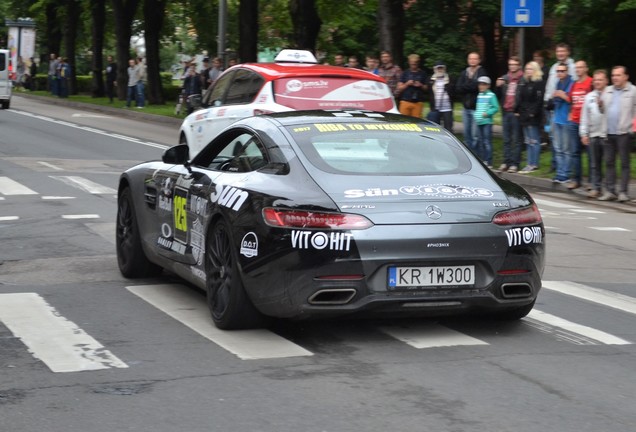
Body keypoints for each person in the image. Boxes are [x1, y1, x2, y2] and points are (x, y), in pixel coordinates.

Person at [598, 66, 636, 202]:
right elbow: (603, 110)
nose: (615, 78)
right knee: (609, 162)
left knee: (624, 163)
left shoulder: (632, 91)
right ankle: (610, 191)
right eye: (613, 75)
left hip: (624, 132)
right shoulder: (608, 90)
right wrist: (600, 105)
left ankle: (623, 192)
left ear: (626, 77)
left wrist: (633, 128)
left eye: (618, 75)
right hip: (608, 132)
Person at [543, 43, 576, 172]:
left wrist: (562, 95)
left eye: (563, 51)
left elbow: (572, 89)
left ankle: (566, 169)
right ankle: (557, 166)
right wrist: (547, 100)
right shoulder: (553, 67)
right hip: (553, 106)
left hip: (566, 110)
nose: (560, 54)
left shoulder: (572, 67)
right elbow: (551, 86)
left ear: (568, 52)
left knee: (566, 143)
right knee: (554, 139)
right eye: (558, 51)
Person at [579, 70, 609, 198]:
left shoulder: (611, 94)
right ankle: (596, 187)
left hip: (607, 134)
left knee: (609, 163)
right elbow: (584, 117)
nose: (597, 82)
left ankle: (608, 188)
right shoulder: (589, 97)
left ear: (606, 81)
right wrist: (584, 133)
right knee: (594, 163)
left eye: (600, 79)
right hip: (593, 134)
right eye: (595, 80)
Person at [566, 60, 593, 190]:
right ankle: (577, 179)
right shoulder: (574, 84)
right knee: (575, 153)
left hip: (588, 123)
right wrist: (571, 114)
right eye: (576, 68)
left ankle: (592, 182)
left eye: (581, 67)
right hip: (575, 122)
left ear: (586, 68)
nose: (578, 70)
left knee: (590, 153)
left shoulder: (591, 82)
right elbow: (571, 100)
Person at [496, 56, 524, 173]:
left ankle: (515, 163)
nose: (512, 66)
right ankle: (506, 161)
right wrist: (497, 86)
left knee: (516, 139)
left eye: (514, 64)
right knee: (506, 139)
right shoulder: (505, 78)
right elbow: (499, 95)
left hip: (515, 112)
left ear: (519, 66)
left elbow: (524, 96)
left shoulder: (522, 79)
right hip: (506, 111)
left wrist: (520, 111)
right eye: (510, 64)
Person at [515, 61, 545, 173]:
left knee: (534, 140)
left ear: (536, 70)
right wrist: (518, 110)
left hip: (533, 116)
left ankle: (534, 163)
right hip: (524, 115)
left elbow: (539, 101)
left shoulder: (539, 83)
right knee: (528, 141)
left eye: (531, 69)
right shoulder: (525, 83)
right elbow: (521, 99)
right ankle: (529, 163)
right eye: (527, 69)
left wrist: (532, 113)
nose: (528, 71)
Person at [456, 52, 488, 153]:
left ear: (479, 60)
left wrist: (466, 86)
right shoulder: (464, 72)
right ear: (468, 60)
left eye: (475, 59)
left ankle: (476, 156)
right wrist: (470, 86)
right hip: (466, 108)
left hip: (477, 109)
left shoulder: (482, 72)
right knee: (466, 134)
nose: (472, 61)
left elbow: (477, 87)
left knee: (475, 135)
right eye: (470, 59)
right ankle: (468, 156)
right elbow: (458, 88)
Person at [551, 62, 574, 183]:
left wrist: (561, 94)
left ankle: (566, 173)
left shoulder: (571, 83)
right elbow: (555, 97)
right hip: (556, 118)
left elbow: (570, 99)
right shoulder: (558, 83)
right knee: (558, 148)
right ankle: (559, 173)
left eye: (562, 71)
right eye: (558, 71)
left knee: (566, 149)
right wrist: (559, 94)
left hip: (566, 119)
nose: (560, 73)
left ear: (567, 72)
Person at [474, 76, 499, 168]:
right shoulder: (479, 95)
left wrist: (488, 113)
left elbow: (496, 107)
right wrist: (476, 115)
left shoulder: (491, 95)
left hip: (487, 122)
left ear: (488, 86)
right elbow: (478, 107)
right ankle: (482, 160)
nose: (481, 86)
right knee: (480, 141)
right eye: (480, 84)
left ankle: (489, 161)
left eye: (483, 85)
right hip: (479, 121)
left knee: (486, 142)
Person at [396, 54, 427, 118]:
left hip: (418, 102)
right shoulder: (405, 73)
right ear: (409, 62)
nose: (413, 65)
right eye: (412, 63)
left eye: (415, 63)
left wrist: (420, 85)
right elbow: (399, 88)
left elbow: (427, 89)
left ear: (418, 63)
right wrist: (407, 84)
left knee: (417, 123)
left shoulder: (423, 73)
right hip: (405, 101)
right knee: (404, 122)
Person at [427, 61, 454, 131]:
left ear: (444, 69)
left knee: (448, 129)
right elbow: (428, 93)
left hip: (447, 108)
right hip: (435, 108)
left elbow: (454, 92)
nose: (440, 70)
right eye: (438, 68)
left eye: (441, 68)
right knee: (435, 129)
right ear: (435, 69)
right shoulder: (430, 80)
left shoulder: (450, 79)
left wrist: (448, 87)